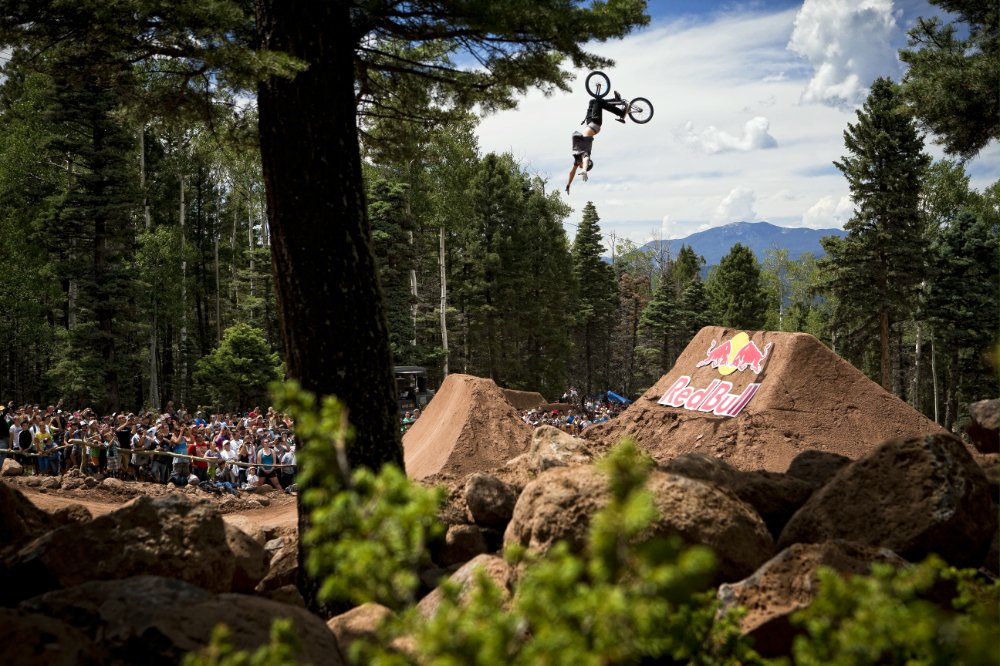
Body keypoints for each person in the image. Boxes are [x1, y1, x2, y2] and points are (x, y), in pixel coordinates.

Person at [565, 92, 627, 194]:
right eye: (581, 166)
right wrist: (584, 170)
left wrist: (568, 184)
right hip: (595, 124)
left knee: (592, 102)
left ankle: (615, 101)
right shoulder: (585, 155)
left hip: (589, 123)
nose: (579, 166)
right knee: (598, 101)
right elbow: (586, 161)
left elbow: (572, 172)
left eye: (580, 167)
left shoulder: (577, 160)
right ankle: (621, 113)